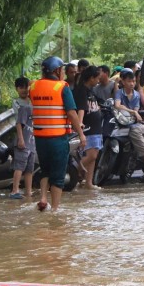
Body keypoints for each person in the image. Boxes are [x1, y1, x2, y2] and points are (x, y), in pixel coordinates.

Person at [31, 56, 85, 211]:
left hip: (40, 139)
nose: (63, 72)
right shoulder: (62, 87)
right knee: (58, 176)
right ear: (56, 70)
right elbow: (72, 114)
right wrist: (81, 134)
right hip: (57, 138)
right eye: (61, 69)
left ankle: (42, 198)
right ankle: (55, 210)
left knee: (45, 170)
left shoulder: (33, 87)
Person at [72, 65, 104, 190]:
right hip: (89, 129)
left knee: (94, 155)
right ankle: (72, 169)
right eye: (97, 78)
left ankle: (88, 183)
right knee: (91, 156)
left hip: (96, 128)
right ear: (91, 78)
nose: (98, 81)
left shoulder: (90, 91)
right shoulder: (81, 91)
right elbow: (81, 108)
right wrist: (79, 124)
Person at [9, 76, 35, 200]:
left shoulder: (32, 101)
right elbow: (18, 123)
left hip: (32, 139)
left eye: (26, 87)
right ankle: (15, 190)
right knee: (19, 165)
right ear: (16, 89)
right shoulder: (17, 103)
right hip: (23, 138)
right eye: (21, 87)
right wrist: (20, 139)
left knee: (29, 168)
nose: (24, 90)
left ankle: (29, 191)